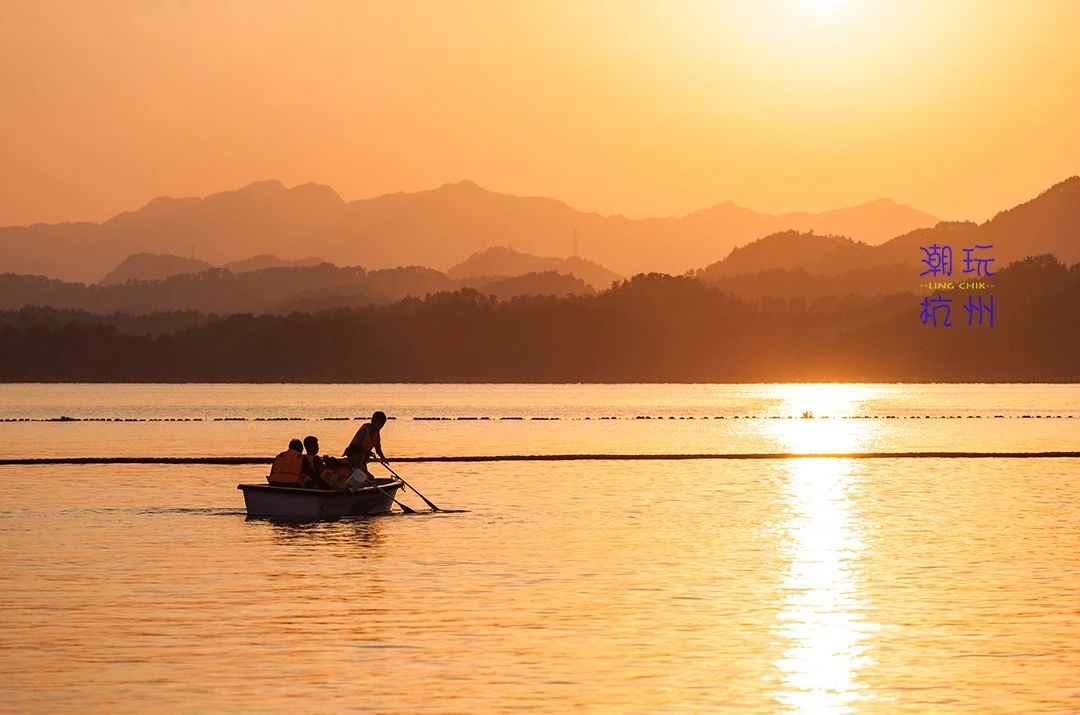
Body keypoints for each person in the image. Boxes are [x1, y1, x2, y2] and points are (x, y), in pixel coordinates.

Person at [343, 411, 388, 490]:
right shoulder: (365, 430)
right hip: (354, 460)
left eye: (383, 425)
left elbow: (378, 449)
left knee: (369, 478)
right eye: (381, 424)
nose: (381, 427)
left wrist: (383, 458)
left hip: (362, 462)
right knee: (367, 478)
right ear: (375, 422)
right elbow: (356, 445)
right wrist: (367, 452)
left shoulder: (377, 433)